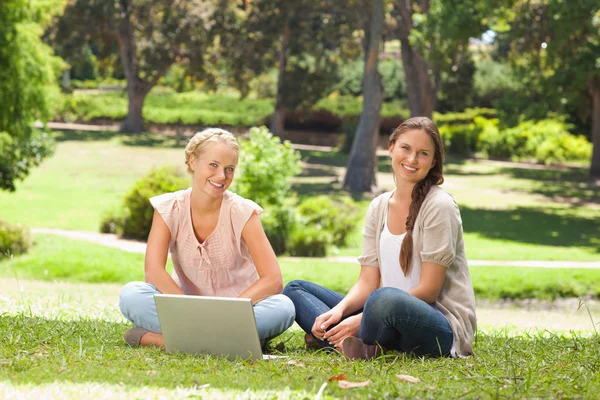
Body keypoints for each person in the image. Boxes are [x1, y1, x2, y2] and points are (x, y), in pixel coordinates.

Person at [283, 117, 476, 360]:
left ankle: (344, 339)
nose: (412, 159)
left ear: (433, 161)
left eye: (423, 153)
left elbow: (428, 290)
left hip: (438, 325)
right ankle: (354, 342)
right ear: (391, 147)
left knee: (384, 298)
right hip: (380, 312)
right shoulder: (379, 206)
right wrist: (339, 311)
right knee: (296, 289)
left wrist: (359, 320)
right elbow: (367, 281)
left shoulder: (439, 205)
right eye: (406, 148)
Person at [119, 128, 295, 348]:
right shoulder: (169, 208)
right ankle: (232, 342)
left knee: (283, 307)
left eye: (229, 169)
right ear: (193, 161)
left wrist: (226, 313)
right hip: (185, 307)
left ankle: (166, 340)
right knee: (132, 294)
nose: (222, 176)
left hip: (236, 311)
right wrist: (194, 312)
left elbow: (272, 279)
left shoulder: (243, 212)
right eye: (213, 165)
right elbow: (153, 271)